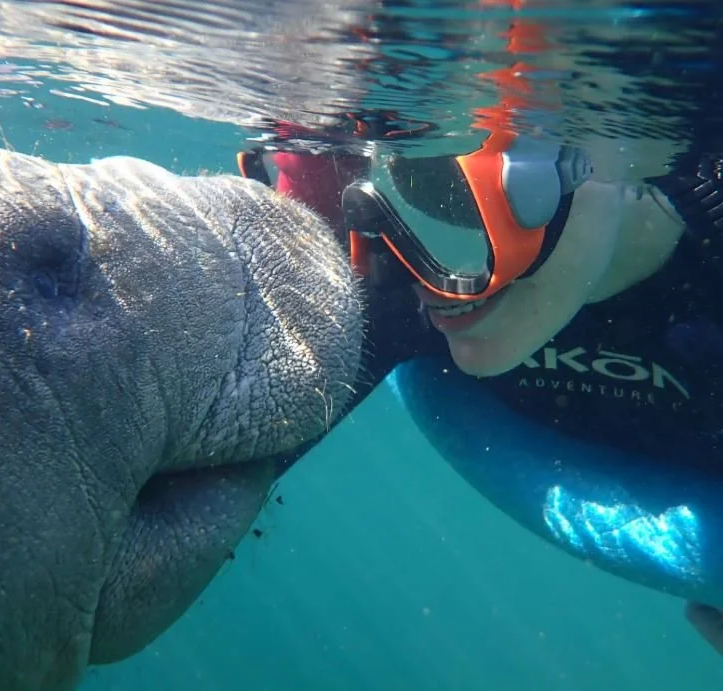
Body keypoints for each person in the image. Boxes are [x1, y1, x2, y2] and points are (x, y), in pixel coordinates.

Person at [236, 35, 723, 658]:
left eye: (443, 197)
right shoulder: (406, 285)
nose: (408, 277)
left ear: (600, 160)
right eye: (336, 203)